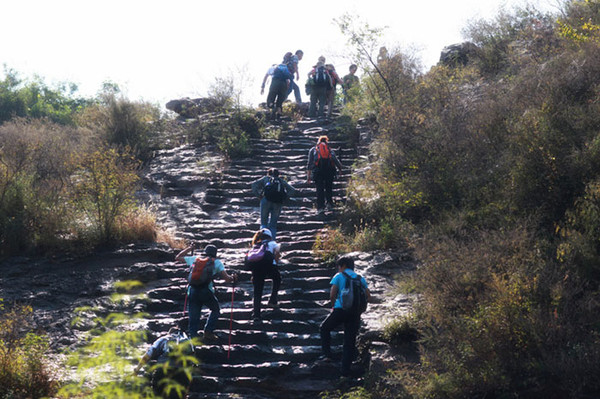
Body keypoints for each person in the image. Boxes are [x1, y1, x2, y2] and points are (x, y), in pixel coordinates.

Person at [319, 256, 370, 377]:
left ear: (343, 266)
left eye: (339, 266)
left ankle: (328, 355)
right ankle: (345, 369)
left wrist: (333, 306)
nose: (338, 268)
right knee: (349, 340)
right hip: (355, 313)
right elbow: (368, 295)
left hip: (340, 310)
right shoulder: (360, 278)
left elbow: (332, 293)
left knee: (324, 328)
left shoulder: (339, 276)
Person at [175, 243, 237, 340]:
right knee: (215, 310)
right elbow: (227, 279)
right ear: (215, 254)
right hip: (206, 291)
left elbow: (178, 257)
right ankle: (208, 332)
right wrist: (233, 278)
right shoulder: (216, 262)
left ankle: (193, 339)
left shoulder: (195, 259)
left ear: (205, 252)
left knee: (193, 316)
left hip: (192, 290)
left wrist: (189, 248)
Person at [133, 326, 194, 399]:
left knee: (158, 395)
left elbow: (147, 356)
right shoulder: (187, 342)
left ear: (169, 333)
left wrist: (137, 370)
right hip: (181, 372)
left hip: (163, 369)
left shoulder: (164, 339)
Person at [251, 167, 298, 240]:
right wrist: (284, 197)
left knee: (263, 223)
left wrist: (259, 196)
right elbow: (292, 190)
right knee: (273, 225)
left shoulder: (265, 179)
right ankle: (271, 242)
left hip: (265, 201)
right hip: (278, 203)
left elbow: (254, 185)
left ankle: (262, 241)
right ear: (278, 175)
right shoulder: (281, 181)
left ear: (268, 173)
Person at [247, 228, 281, 321]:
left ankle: (256, 315)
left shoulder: (255, 245)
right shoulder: (272, 243)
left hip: (257, 270)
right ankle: (273, 300)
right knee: (277, 278)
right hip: (269, 267)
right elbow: (277, 253)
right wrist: (276, 262)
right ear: (270, 236)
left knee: (257, 292)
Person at [306, 135, 343, 213]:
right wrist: (340, 169)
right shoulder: (329, 150)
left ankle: (320, 208)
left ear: (318, 141)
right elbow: (335, 160)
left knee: (319, 189)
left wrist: (308, 176)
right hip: (329, 172)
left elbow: (309, 164)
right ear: (326, 141)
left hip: (318, 172)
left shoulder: (313, 150)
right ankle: (329, 204)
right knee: (328, 188)